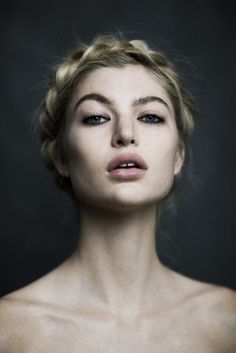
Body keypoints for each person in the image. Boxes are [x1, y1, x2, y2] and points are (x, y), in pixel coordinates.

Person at [0, 34, 235, 352]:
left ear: (178, 155)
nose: (125, 133)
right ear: (62, 157)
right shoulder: (9, 331)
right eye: (96, 117)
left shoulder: (227, 322)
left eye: (150, 116)